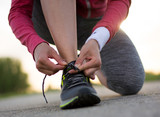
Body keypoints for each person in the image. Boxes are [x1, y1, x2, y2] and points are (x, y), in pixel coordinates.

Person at [8, 0, 145, 109]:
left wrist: (97, 39)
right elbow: (18, 11)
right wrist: (35, 45)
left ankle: (84, 64)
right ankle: (73, 72)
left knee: (130, 81)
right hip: (48, 16)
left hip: (95, 21)